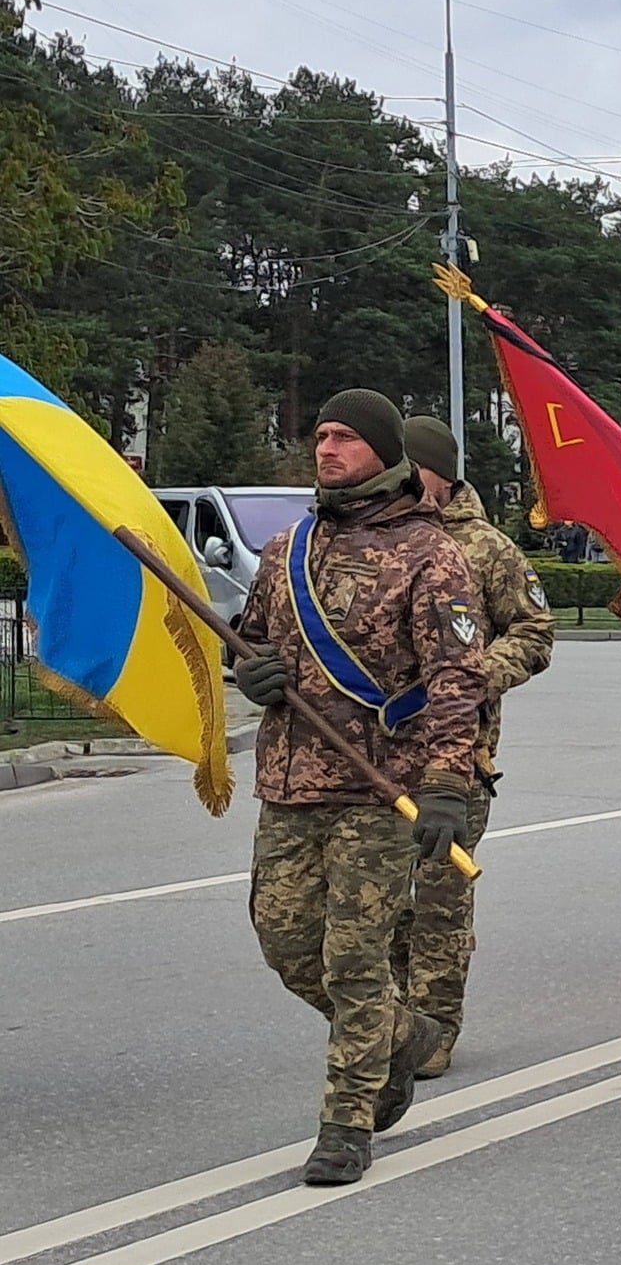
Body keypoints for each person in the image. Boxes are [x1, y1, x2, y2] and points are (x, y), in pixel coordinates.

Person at [230, 389, 485, 1185]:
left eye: (344, 436)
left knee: (354, 960)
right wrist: (251, 672)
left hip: (381, 790)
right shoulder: (288, 549)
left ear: (382, 450)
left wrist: (447, 784)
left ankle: (347, 1123)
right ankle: (404, 1035)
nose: (327, 448)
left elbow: (457, 680)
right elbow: (251, 641)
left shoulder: (431, 553)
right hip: (290, 782)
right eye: (321, 434)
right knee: (285, 944)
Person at [384, 417, 554, 1079]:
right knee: (380, 900)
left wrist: (475, 673)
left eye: (410, 467)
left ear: (441, 474)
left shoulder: (487, 550)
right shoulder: (379, 539)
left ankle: (434, 1025)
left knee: (437, 898)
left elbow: (535, 631)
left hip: (457, 757)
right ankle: (391, 1020)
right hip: (377, 755)